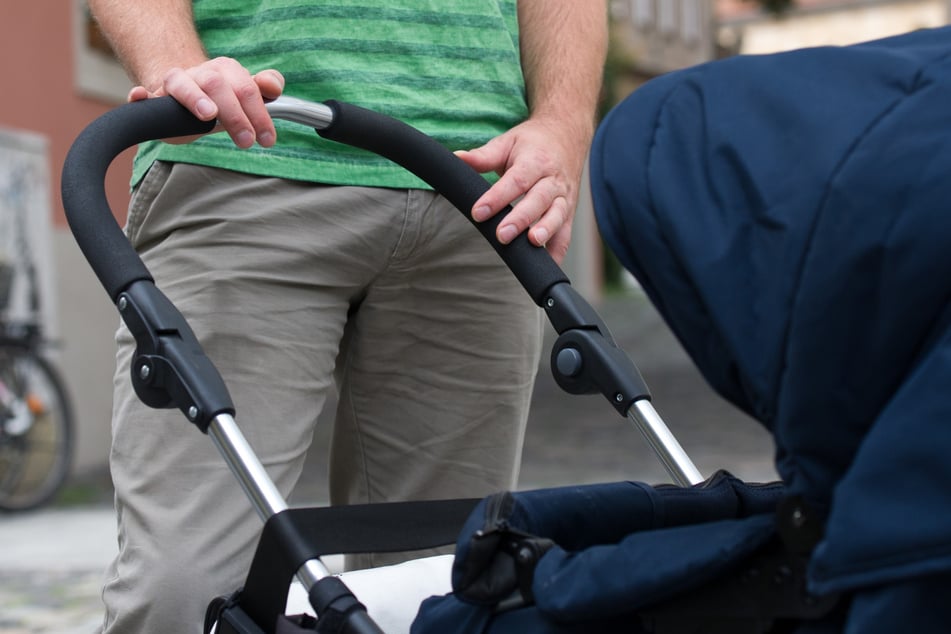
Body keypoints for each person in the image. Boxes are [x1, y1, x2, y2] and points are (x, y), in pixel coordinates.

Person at [86, 1, 607, 632]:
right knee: (185, 593)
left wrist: (564, 122)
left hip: (477, 189)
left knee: (440, 584)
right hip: (245, 151)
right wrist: (175, 66)